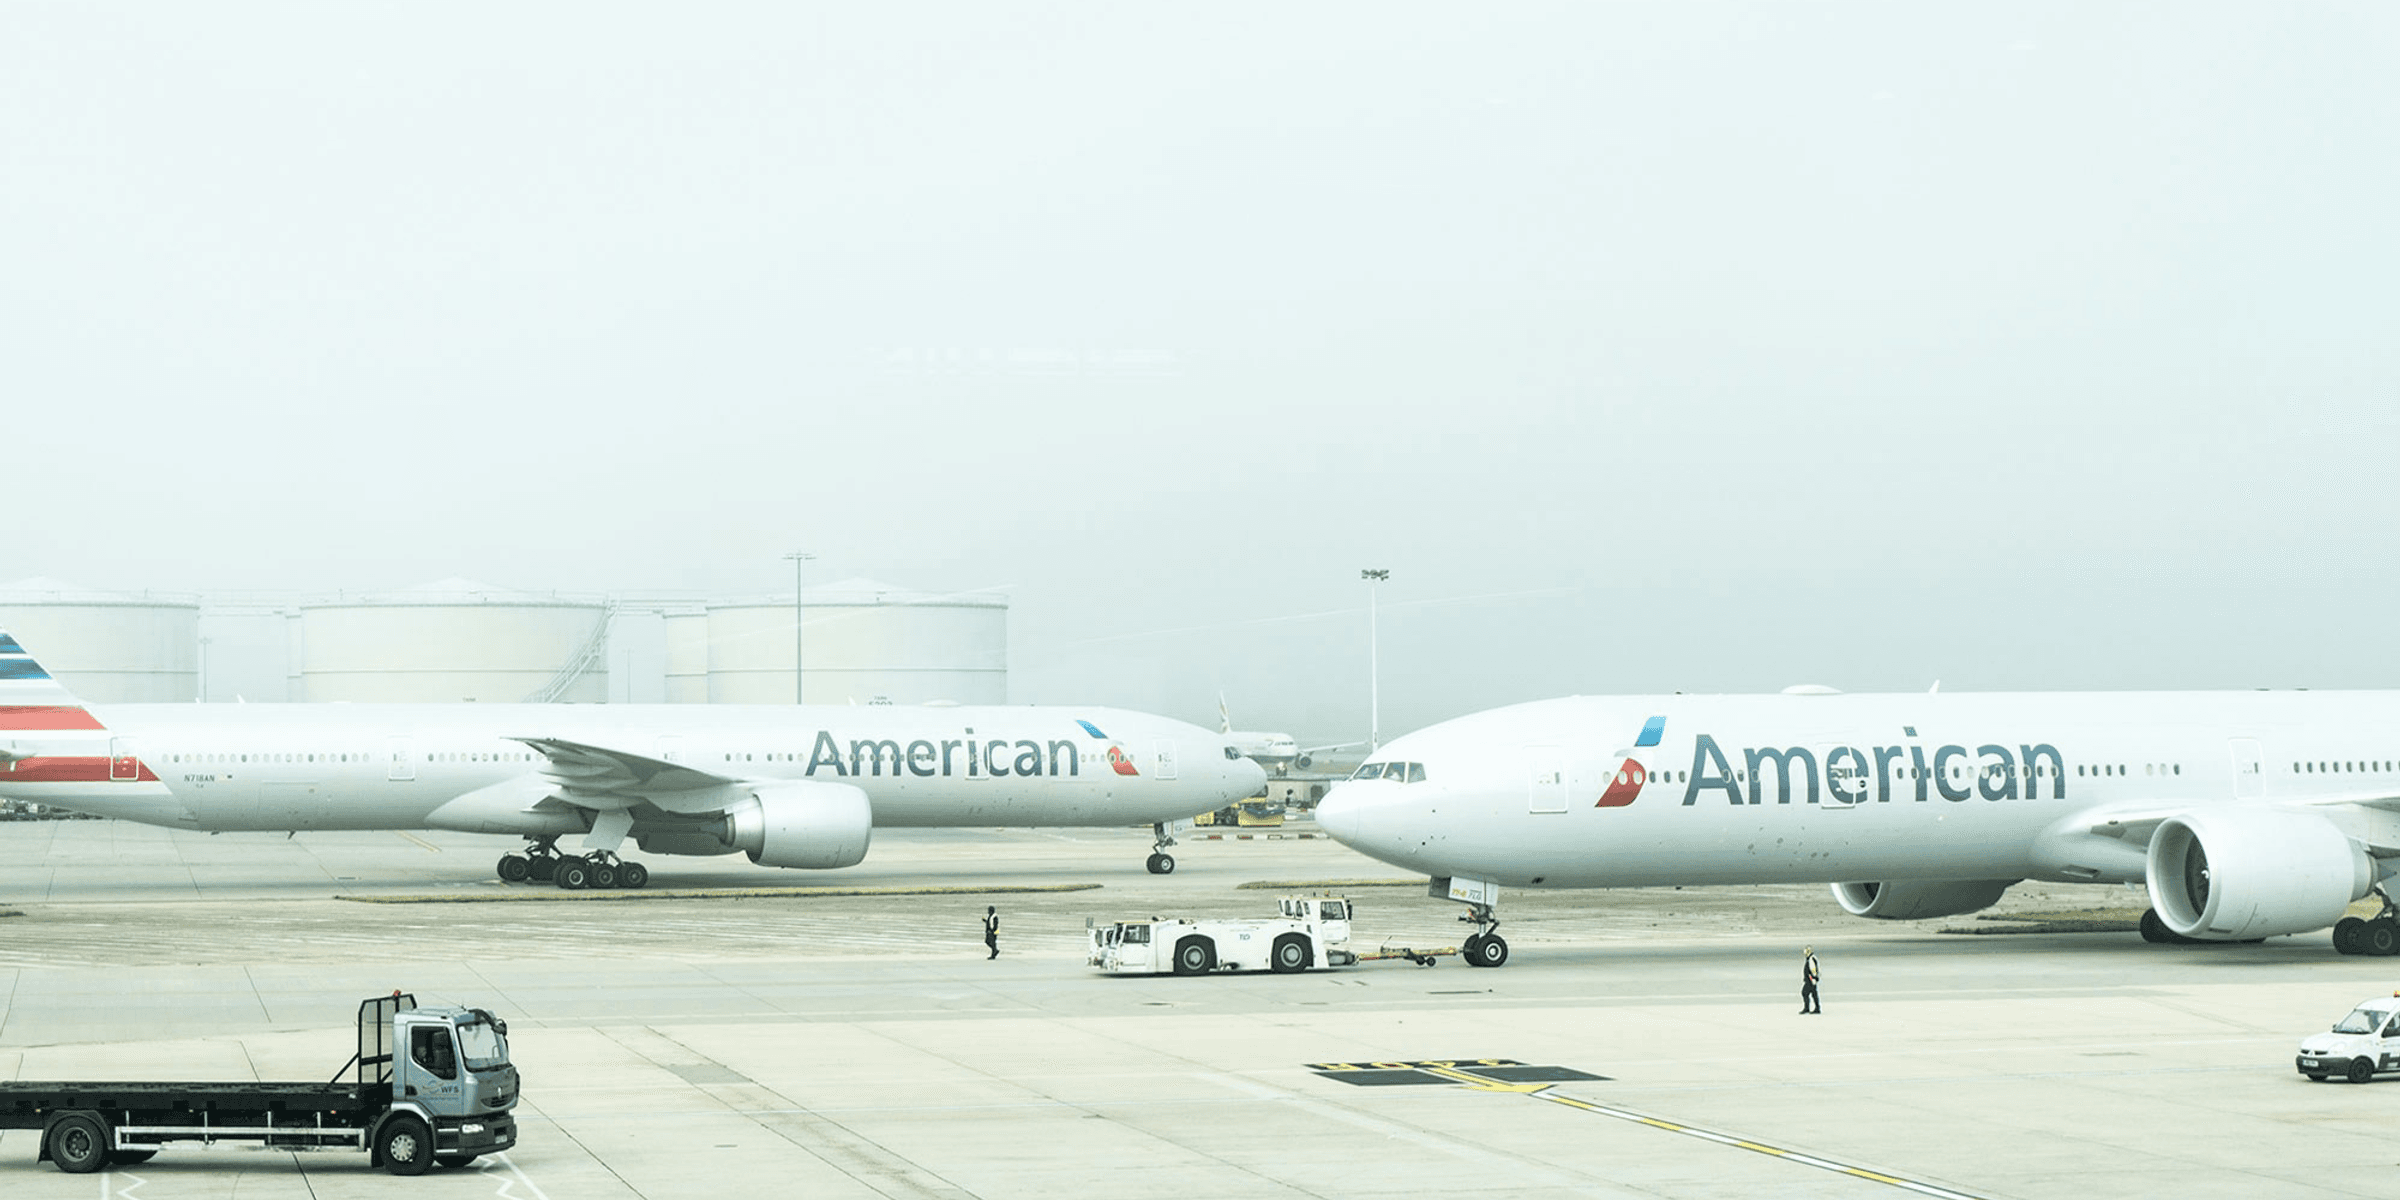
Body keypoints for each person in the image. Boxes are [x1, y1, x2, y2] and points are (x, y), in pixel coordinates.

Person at [1800, 945, 1821, 1014]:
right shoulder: (1811, 958)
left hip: (1810, 980)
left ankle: (1807, 1008)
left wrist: (1814, 978)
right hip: (1811, 979)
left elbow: (1813, 970)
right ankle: (1817, 1008)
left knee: (1804, 992)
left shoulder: (1811, 959)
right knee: (1814, 994)